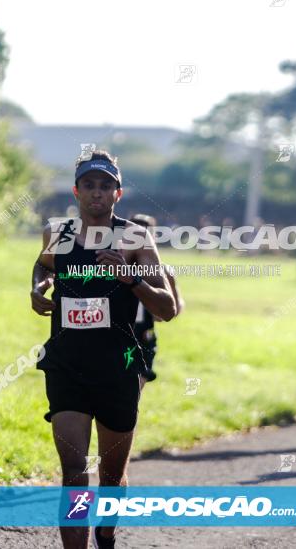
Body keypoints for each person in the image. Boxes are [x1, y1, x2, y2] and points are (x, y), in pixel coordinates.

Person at [30, 151, 176, 549]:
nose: (97, 193)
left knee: (112, 476)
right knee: (74, 471)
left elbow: (167, 308)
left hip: (120, 365)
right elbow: (43, 266)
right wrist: (37, 286)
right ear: (76, 191)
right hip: (67, 363)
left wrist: (131, 278)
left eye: (105, 185)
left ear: (118, 193)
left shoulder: (135, 238)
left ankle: (107, 535)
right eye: (89, 185)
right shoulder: (57, 234)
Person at [130, 213, 184, 388]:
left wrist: (159, 308)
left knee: (135, 391)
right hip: (114, 334)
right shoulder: (113, 266)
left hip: (143, 335)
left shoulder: (163, 272)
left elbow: (175, 308)